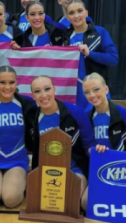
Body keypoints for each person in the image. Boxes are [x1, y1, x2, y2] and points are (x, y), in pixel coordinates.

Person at [24, 75, 96, 210]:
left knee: (67, 203)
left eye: (47, 89)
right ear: (32, 95)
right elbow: (30, 146)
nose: (43, 95)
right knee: (42, 204)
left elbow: (89, 144)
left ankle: (84, 186)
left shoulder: (75, 113)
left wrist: (96, 174)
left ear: (54, 90)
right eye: (37, 91)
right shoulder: (32, 118)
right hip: (47, 171)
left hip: (74, 170)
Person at [80, 73, 126, 211]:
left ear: (106, 89)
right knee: (86, 203)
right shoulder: (87, 118)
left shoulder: (124, 114)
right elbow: (86, 145)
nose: (92, 95)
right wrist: (92, 151)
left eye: (96, 89)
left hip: (124, 169)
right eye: (87, 92)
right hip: (99, 170)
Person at [0, 66, 36, 208]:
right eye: (2, 82)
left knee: (10, 200)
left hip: (17, 160)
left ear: (16, 84)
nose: (7, 87)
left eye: (11, 82)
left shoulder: (27, 104)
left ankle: (21, 182)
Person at [64, 0, 118, 107]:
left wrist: (90, 54)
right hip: (73, 92)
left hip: (96, 91)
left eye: (80, 11)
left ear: (86, 13)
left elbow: (113, 59)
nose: (76, 15)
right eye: (71, 13)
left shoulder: (99, 32)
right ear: (67, 17)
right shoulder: (64, 37)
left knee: (100, 122)